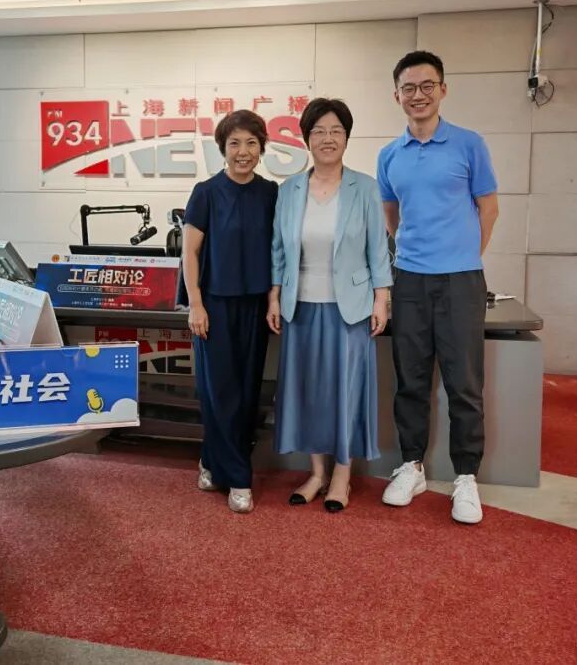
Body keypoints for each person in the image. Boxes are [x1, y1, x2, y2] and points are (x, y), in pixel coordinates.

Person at [376, 50, 499, 524]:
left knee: (464, 382)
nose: (418, 95)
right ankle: (411, 466)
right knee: (411, 380)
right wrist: (416, 256)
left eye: (427, 86)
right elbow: (392, 216)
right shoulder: (390, 155)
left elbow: (489, 209)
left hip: (461, 279)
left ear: (442, 90)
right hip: (409, 278)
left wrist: (464, 255)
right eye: (409, 88)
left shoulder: (469, 145)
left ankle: (466, 476)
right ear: (396, 96)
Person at [267, 98, 391, 512]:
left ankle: (342, 475)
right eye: (319, 131)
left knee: (345, 391)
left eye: (336, 131)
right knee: (310, 391)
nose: (328, 138)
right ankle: (316, 473)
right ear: (306, 139)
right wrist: (273, 295)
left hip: (349, 307)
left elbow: (378, 249)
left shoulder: (365, 187)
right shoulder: (289, 190)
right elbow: (278, 249)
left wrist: (382, 298)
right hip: (299, 305)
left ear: (347, 138)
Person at [181, 110, 278, 514]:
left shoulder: (270, 193)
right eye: (235, 143)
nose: (244, 151)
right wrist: (196, 304)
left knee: (246, 393)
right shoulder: (206, 192)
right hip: (215, 305)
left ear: (262, 148)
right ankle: (239, 477)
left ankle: (210, 460)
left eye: (252, 143)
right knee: (219, 392)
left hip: (255, 304)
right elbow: (190, 252)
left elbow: (278, 250)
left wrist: (273, 299)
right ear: (223, 148)